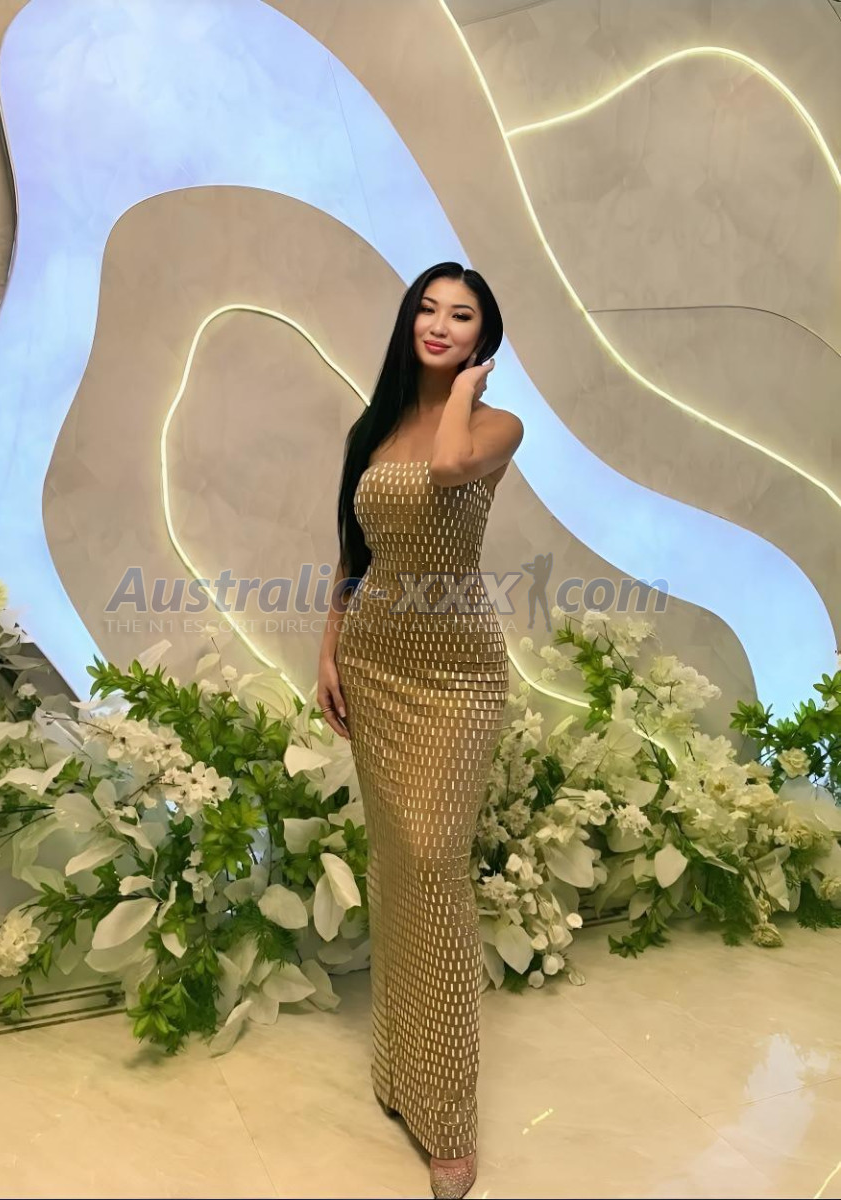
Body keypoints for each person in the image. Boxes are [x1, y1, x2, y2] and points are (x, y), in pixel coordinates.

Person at [317, 261, 523, 1199]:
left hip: (457, 672)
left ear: (483, 335)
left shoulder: (492, 426)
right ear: (409, 322)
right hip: (375, 659)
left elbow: (446, 471)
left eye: (461, 315)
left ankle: (449, 1119)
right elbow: (352, 551)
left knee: (435, 857)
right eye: (427, 310)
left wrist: (466, 388)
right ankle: (402, 1071)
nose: (439, 325)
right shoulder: (374, 427)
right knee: (397, 862)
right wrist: (329, 648)